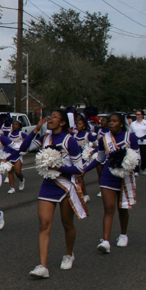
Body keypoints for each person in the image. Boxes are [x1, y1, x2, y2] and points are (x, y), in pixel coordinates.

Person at [18, 111, 86, 278]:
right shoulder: (45, 138)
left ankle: (69, 254)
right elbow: (23, 148)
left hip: (65, 187)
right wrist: (36, 129)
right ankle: (43, 266)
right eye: (50, 116)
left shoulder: (70, 141)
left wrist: (59, 168)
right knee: (44, 224)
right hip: (48, 186)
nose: (50, 118)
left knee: (67, 223)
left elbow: (79, 169)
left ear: (62, 122)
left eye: (54, 116)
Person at [81, 113, 139, 252]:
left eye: (114, 121)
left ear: (121, 123)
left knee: (122, 208)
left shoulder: (130, 137)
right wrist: (85, 170)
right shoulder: (103, 139)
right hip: (108, 175)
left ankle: (123, 234)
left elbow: (137, 157)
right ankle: (105, 241)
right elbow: (100, 158)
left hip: (124, 176)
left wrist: (129, 162)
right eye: (110, 121)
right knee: (109, 208)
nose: (111, 123)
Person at [73, 115, 97, 202]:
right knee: (77, 178)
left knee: (80, 177)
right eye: (77, 124)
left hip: (84, 160)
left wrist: (92, 151)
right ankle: (81, 194)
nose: (77, 125)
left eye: (79, 124)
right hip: (76, 159)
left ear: (84, 126)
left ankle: (85, 195)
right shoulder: (74, 135)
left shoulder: (88, 135)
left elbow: (98, 145)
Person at [5, 120, 27, 194]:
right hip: (10, 154)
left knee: (18, 172)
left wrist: (24, 148)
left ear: (19, 126)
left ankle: (22, 180)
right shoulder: (9, 134)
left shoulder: (21, 134)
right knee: (10, 171)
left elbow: (28, 140)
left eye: (16, 124)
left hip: (18, 154)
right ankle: (12, 188)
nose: (14, 126)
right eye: (13, 124)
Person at [130, 110, 146, 175]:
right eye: (136, 114)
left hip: (145, 142)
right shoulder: (133, 124)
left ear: (142, 115)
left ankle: (143, 168)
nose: (137, 116)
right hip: (136, 143)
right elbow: (130, 133)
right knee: (136, 157)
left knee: (144, 157)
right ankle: (136, 170)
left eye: (139, 114)